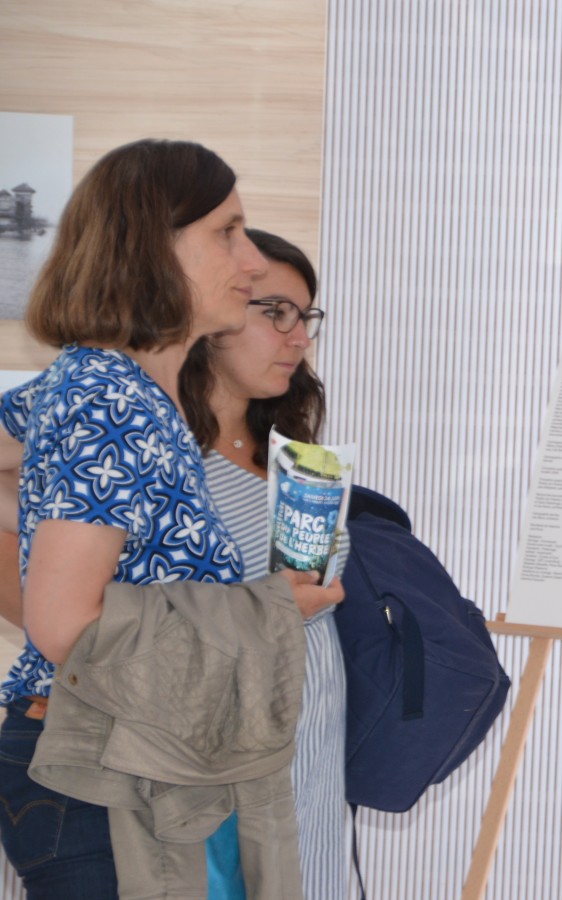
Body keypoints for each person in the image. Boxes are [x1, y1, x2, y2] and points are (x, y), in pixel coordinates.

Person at [0, 139, 342, 898]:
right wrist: (273, 605)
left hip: (130, 755)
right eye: (227, 232)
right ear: (150, 248)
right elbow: (65, 625)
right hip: (101, 768)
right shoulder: (109, 395)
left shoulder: (118, 387)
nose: (250, 261)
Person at [180, 228, 348, 898]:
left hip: (313, 767)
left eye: (303, 317)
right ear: (209, 314)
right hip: (217, 782)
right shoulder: (162, 456)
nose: (298, 336)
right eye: (274, 312)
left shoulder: (300, 458)